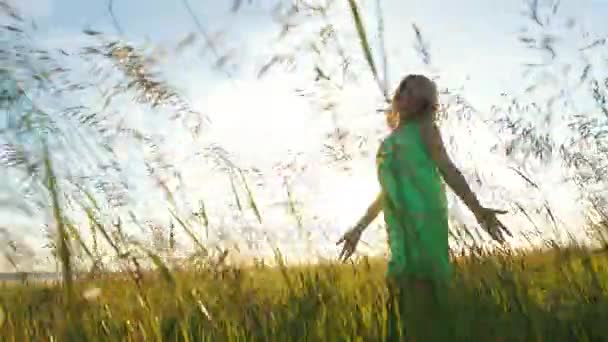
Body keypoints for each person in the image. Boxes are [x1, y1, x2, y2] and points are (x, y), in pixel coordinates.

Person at [336, 74, 511, 341]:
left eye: (412, 91)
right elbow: (387, 193)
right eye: (402, 88)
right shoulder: (387, 143)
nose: (403, 93)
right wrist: (358, 228)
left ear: (424, 102)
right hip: (398, 228)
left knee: (426, 295)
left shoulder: (425, 130)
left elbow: (447, 169)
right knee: (399, 301)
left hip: (425, 222)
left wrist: (478, 210)